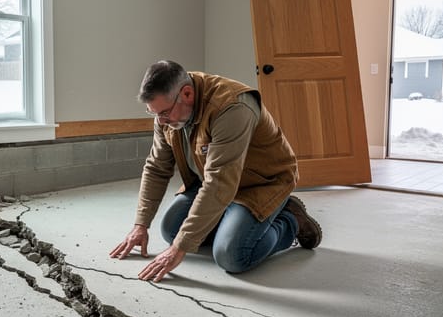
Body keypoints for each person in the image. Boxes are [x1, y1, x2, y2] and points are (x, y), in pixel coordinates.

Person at [110, 60, 322, 282]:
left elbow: (220, 182)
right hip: (212, 180)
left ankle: (291, 221)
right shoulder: (166, 113)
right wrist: (140, 225)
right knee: (171, 231)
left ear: (187, 94)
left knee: (232, 255)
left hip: (260, 183)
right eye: (153, 113)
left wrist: (180, 248)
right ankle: (235, 220)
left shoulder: (232, 107)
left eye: (164, 113)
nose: (161, 121)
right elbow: (156, 168)